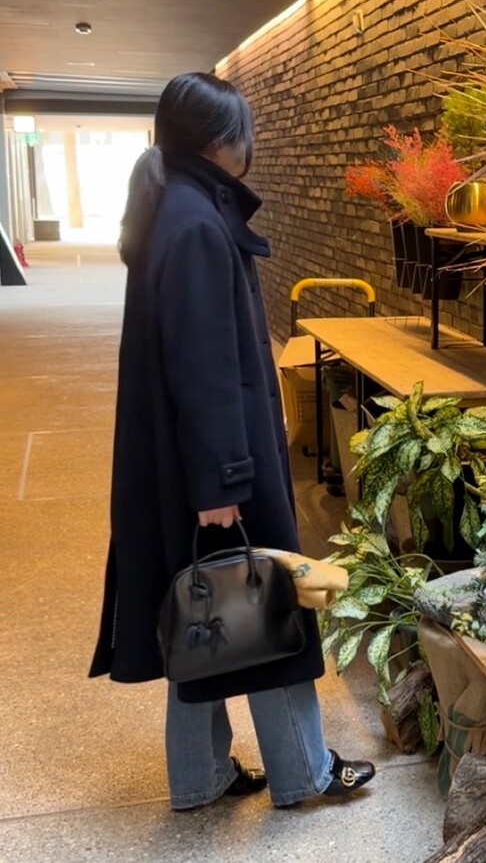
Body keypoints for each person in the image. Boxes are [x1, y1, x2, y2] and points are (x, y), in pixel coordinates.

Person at [89, 71, 375, 810]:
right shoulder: (195, 224)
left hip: (188, 462)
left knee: (204, 614)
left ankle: (200, 775)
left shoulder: (175, 205)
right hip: (218, 465)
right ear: (221, 141)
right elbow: (204, 367)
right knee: (261, 604)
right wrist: (222, 484)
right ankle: (305, 770)